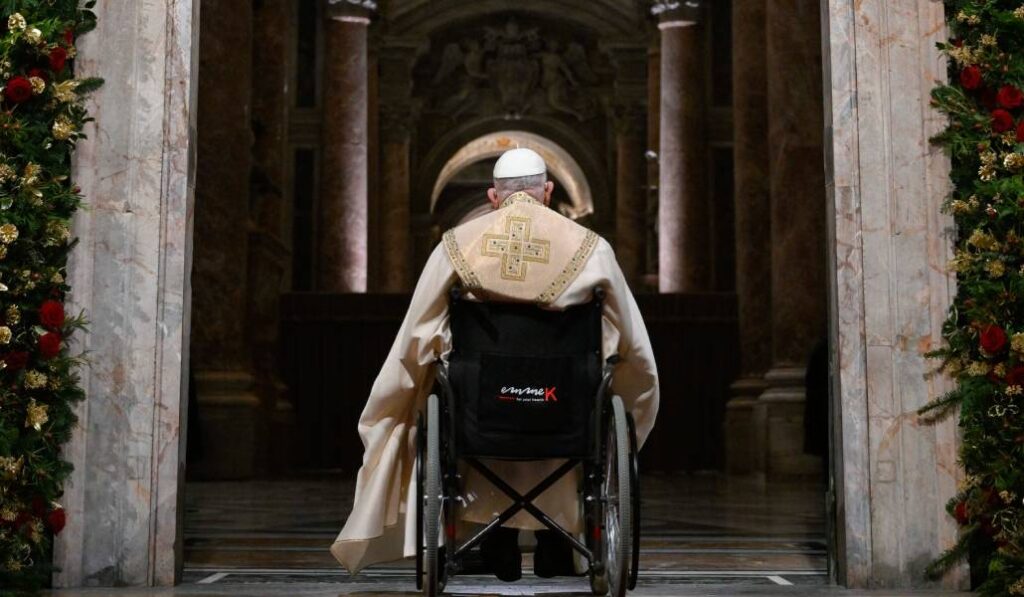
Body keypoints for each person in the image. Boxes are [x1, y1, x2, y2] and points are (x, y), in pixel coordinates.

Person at [331, 148, 659, 581]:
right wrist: (628, 392)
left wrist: (393, 402)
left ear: (492, 197)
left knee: (460, 388)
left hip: (481, 417)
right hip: (565, 415)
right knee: (580, 391)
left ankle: (495, 540)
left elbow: (415, 336)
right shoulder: (591, 249)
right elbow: (634, 348)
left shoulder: (456, 246)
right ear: (547, 191)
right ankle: (557, 544)